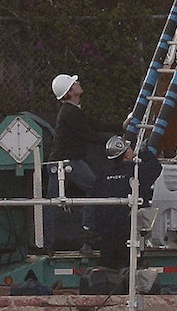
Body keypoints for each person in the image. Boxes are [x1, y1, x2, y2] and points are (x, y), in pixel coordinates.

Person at [44, 74, 103, 256]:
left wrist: (122, 127)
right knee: (94, 188)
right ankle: (87, 234)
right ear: (70, 92)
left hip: (61, 162)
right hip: (67, 162)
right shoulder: (71, 113)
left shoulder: (72, 112)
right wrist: (114, 143)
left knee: (52, 202)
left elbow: (93, 125)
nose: (78, 83)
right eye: (74, 83)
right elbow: (89, 134)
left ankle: (48, 245)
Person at [92, 135, 162, 270]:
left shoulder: (102, 174)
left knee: (107, 271)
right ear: (126, 154)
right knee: (130, 271)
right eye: (129, 148)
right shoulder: (135, 170)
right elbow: (156, 167)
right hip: (128, 232)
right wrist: (143, 150)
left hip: (106, 234)